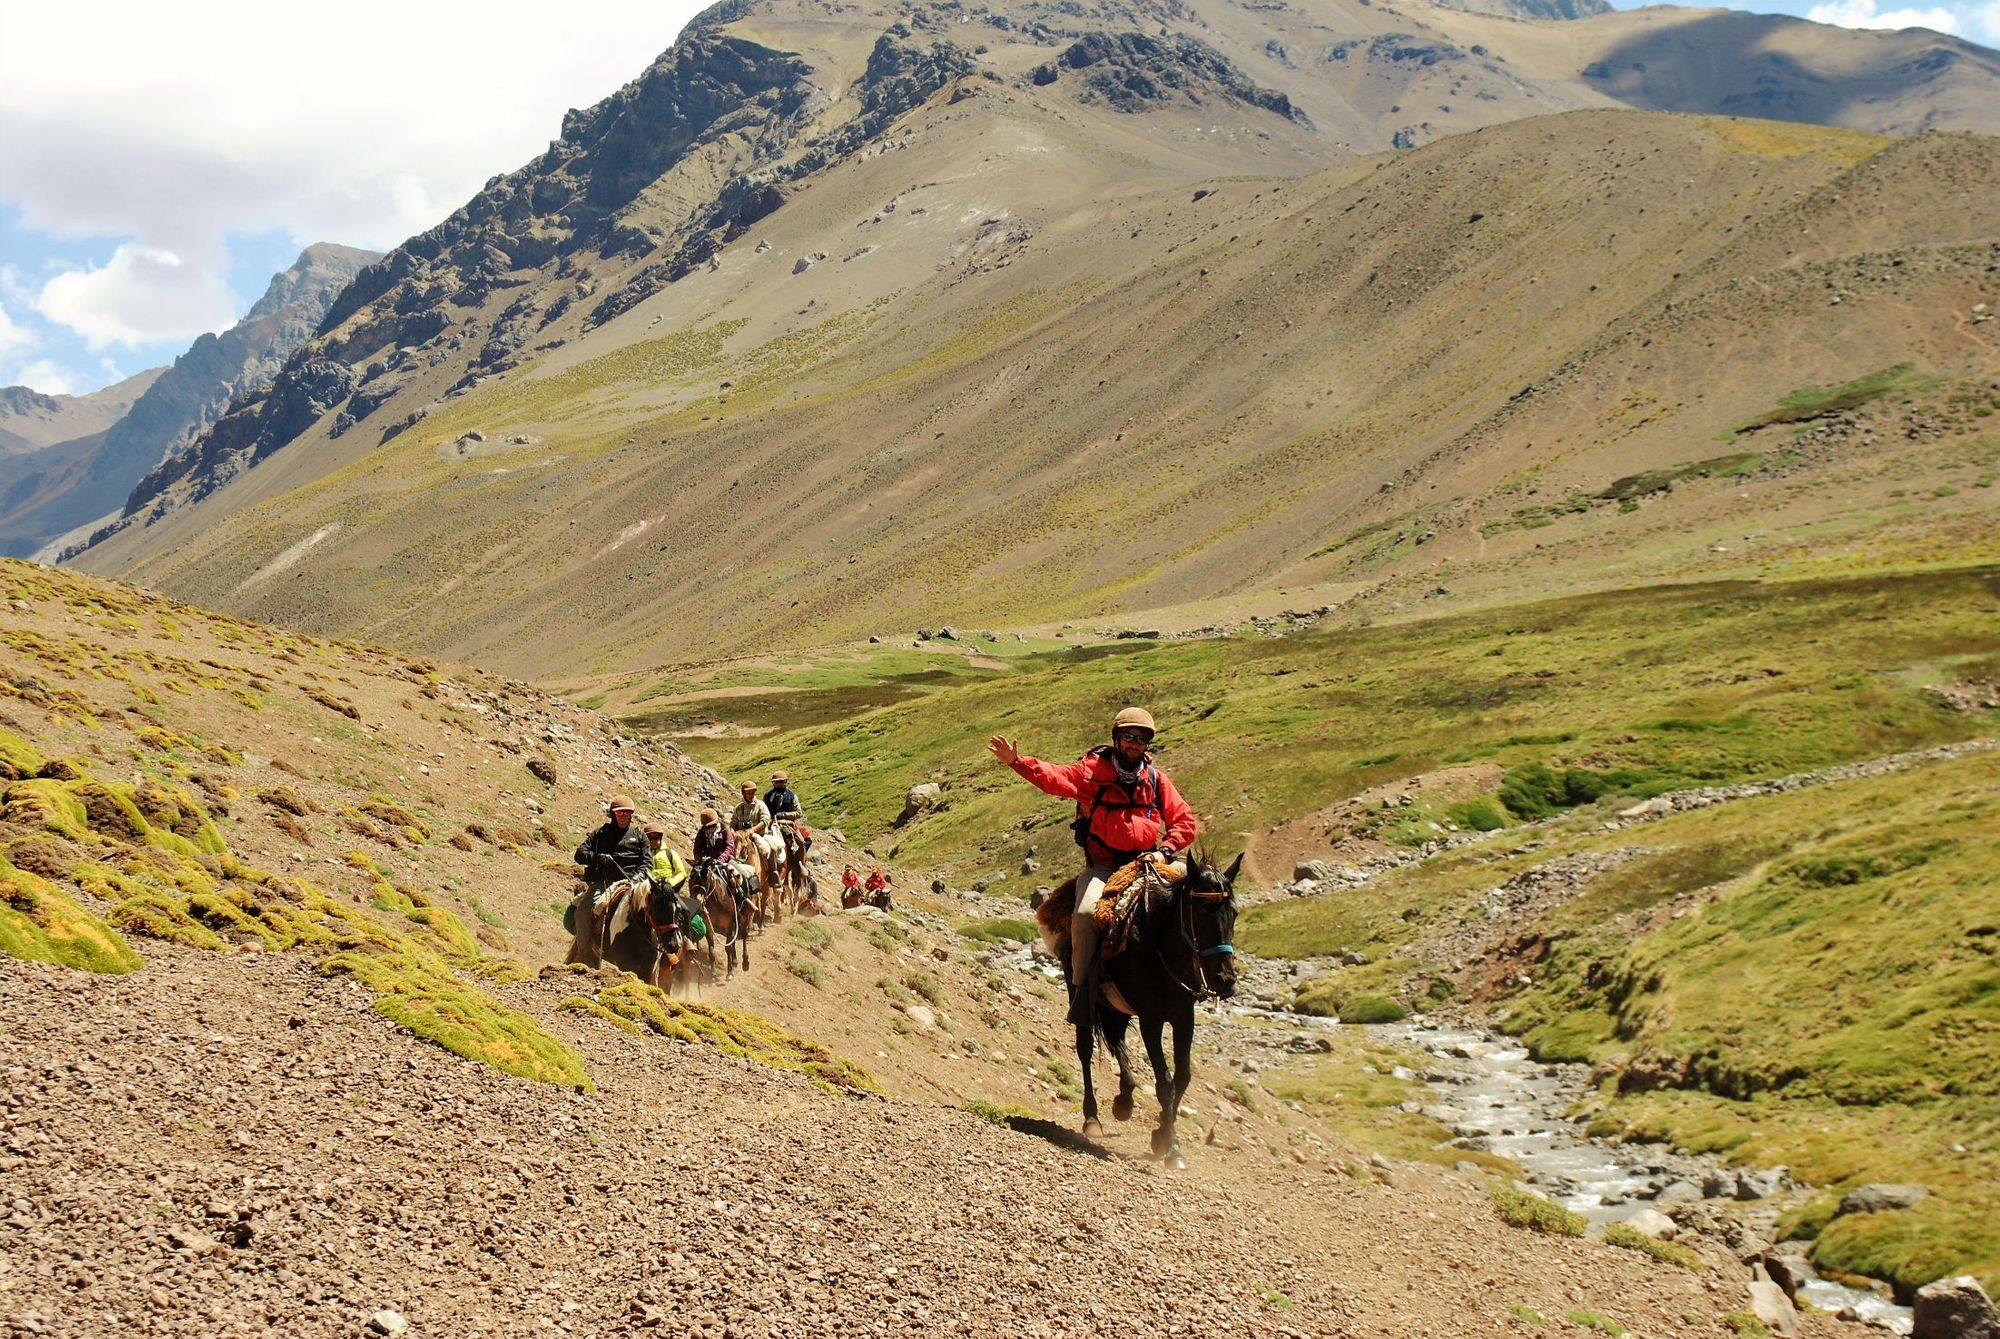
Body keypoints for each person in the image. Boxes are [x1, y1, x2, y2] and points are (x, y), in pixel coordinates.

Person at [988, 707, 1197, 1022]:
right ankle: (1082, 992)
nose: (1134, 743)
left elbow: (1184, 820)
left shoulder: (1155, 780)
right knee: (1085, 915)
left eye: (1141, 739)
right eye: (1129, 736)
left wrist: (1165, 850)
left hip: (1148, 863)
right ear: (1116, 738)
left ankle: (1202, 975)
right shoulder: (1092, 773)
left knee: (1200, 897)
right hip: (1105, 868)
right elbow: (1054, 778)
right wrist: (1017, 762)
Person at [568, 795, 651, 962]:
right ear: (613, 815)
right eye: (620, 813)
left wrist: (638, 877)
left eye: (627, 813)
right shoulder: (600, 833)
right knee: (583, 912)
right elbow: (580, 854)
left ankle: (665, 952)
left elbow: (647, 862)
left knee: (661, 910)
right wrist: (597, 857)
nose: (623, 817)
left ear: (631, 815)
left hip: (634, 883)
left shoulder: (640, 836)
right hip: (604, 883)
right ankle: (583, 952)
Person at [730, 780, 780, 875]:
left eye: (752, 793)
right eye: (748, 793)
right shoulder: (739, 807)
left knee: (772, 848)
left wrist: (753, 830)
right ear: (743, 793)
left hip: (759, 835)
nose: (751, 795)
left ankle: (773, 873)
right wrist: (732, 831)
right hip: (741, 837)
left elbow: (765, 820)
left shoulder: (760, 805)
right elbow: (733, 823)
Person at [764, 769, 809, 864]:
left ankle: (800, 864)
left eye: (782, 782)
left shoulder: (792, 796)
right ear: (773, 783)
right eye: (777, 782)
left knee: (800, 842)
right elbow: (763, 810)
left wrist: (785, 815)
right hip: (771, 823)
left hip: (787, 823)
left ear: (785, 782)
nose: (779, 784)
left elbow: (798, 812)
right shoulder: (768, 795)